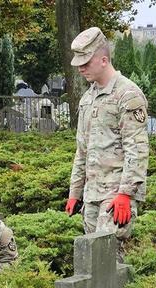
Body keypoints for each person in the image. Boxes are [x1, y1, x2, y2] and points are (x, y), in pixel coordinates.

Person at [64, 27, 149, 263]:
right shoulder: (87, 98)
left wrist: (125, 193)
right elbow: (82, 150)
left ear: (103, 60)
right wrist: (75, 192)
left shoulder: (127, 95)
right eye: (78, 62)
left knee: (108, 257)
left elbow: (137, 148)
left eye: (86, 62)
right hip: (91, 194)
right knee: (93, 261)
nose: (80, 67)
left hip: (115, 194)